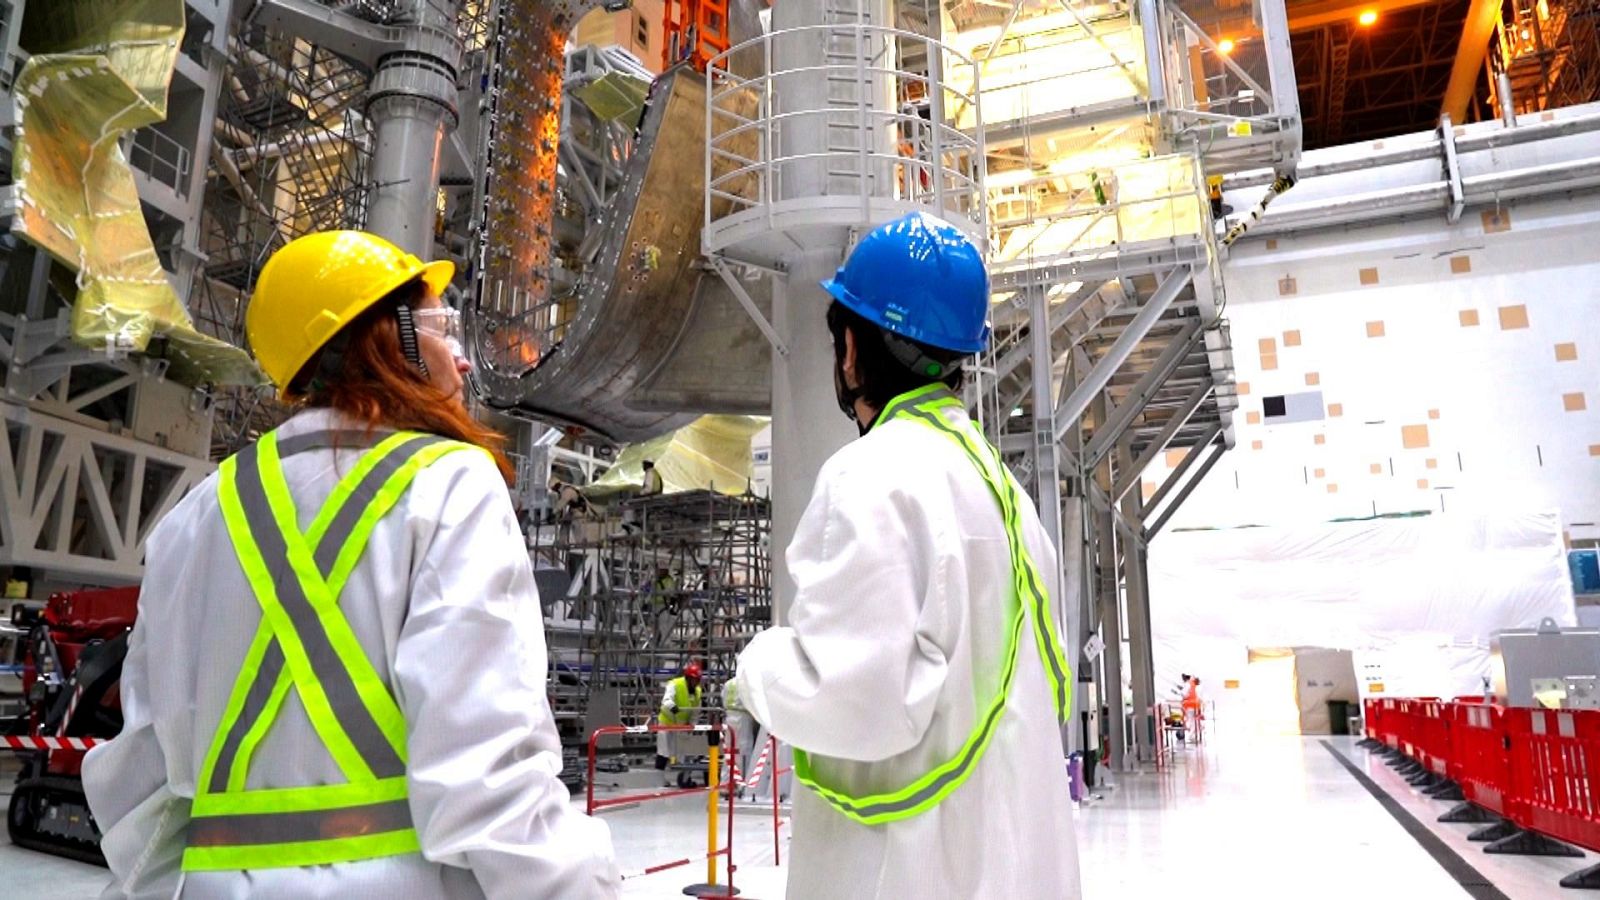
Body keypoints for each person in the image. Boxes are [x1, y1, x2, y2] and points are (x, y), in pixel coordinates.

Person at [82, 230, 620, 898]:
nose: (462, 359)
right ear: (386, 332)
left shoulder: (196, 514)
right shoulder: (450, 482)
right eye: (441, 326)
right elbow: (488, 777)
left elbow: (145, 775)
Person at [735, 212, 1081, 898]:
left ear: (852, 346)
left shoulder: (870, 474)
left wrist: (755, 669)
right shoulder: (1005, 493)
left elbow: (848, 698)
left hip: (912, 875)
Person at [657, 662, 704, 787]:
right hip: (667, 723)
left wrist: (692, 726)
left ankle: (685, 777)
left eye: (697, 680)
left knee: (685, 752)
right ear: (688, 678)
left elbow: (696, 711)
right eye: (693, 680)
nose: (695, 683)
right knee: (664, 751)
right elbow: (666, 701)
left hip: (682, 726)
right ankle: (660, 779)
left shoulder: (698, 692)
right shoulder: (675, 684)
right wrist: (676, 711)